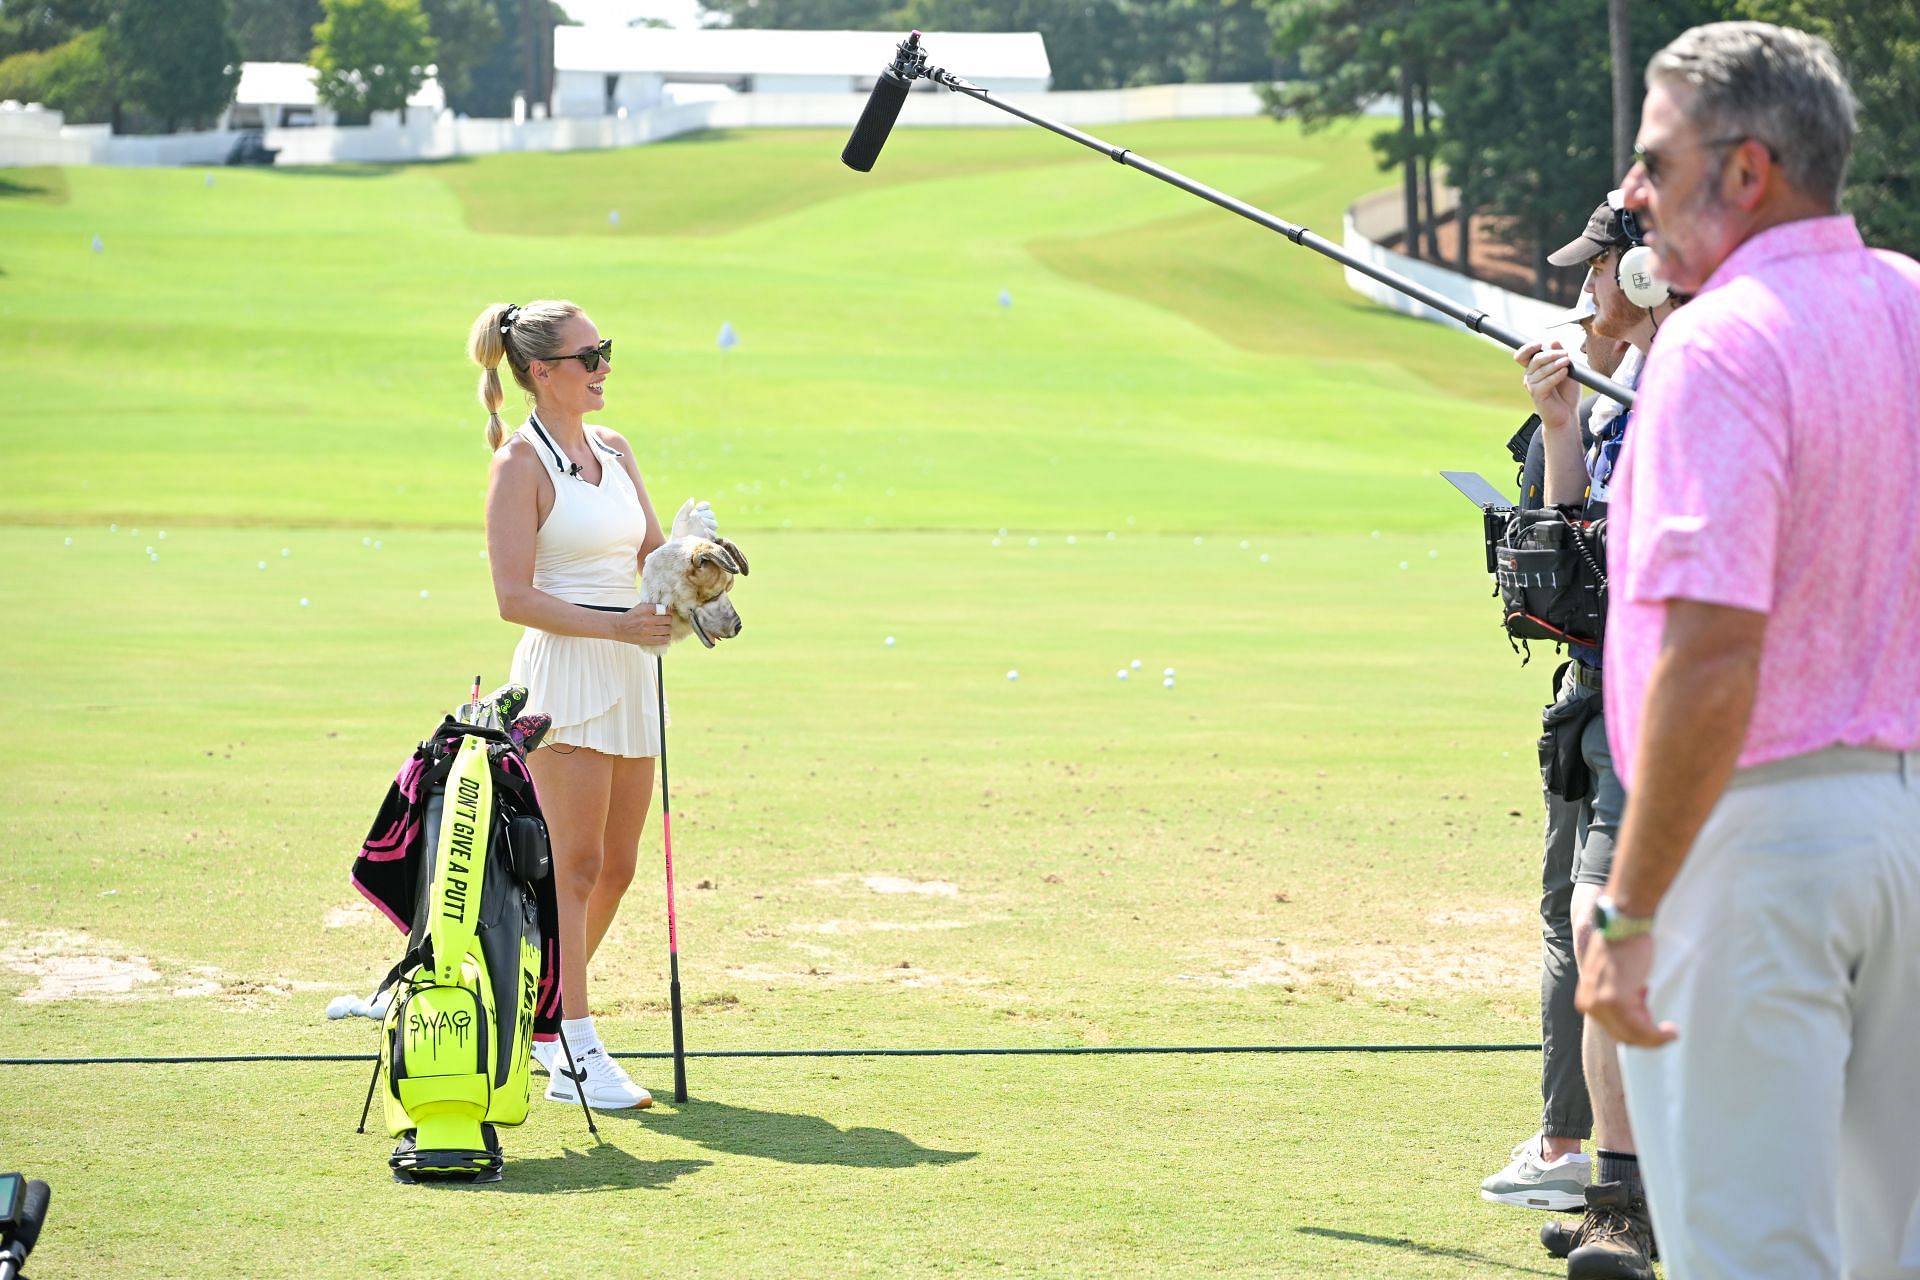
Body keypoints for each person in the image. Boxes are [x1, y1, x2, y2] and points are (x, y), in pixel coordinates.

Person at [1577, 21, 1920, 1279]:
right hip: (1907, 822)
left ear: (1747, 172)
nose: (1634, 194)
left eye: (1656, 163)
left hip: (1761, 835)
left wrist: (1631, 903)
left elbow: (1715, 654)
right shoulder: (1912, 303)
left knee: (1752, 1252)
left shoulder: (1721, 341)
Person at [1487, 193, 1677, 1280]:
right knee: (1590, 916)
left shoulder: (1686, 377)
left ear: (1644, 271)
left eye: (1598, 269)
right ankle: (1622, 1193)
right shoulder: (1624, 387)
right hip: (1603, 688)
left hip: (1668, 704)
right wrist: (1561, 427)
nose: (1584, 288)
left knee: (1604, 928)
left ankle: (1626, 1192)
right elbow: (1585, 548)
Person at [468, 298, 718, 1110]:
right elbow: (513, 596)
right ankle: (574, 1047)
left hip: (629, 670)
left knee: (616, 866)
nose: (604, 365)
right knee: (570, 869)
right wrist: (619, 623)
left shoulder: (614, 447)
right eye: (589, 356)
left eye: (605, 350)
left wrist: (691, 561)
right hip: (568, 675)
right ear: (541, 372)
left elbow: (649, 552)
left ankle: (541, 1024)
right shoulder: (520, 466)